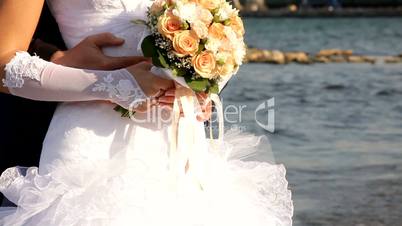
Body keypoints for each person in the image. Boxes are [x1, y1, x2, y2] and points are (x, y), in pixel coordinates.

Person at [0, 0, 293, 225]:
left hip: (180, 147)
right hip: (92, 147)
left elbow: (215, 28)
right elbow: (3, 66)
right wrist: (114, 85)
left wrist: (204, 84)